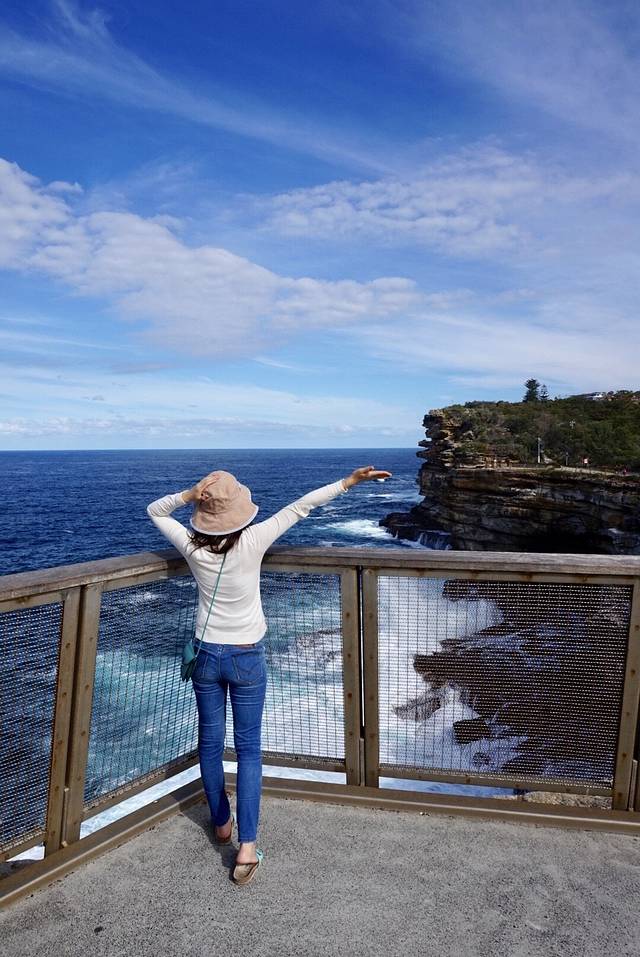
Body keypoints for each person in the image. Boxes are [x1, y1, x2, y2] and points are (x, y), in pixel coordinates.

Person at [146, 464, 391, 885]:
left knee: (210, 743)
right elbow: (301, 507)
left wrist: (189, 494)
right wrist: (348, 483)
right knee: (249, 750)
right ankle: (246, 847)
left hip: (205, 655)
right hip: (245, 657)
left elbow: (155, 510)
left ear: (204, 513)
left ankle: (221, 823)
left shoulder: (190, 545)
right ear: (238, 511)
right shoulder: (254, 540)